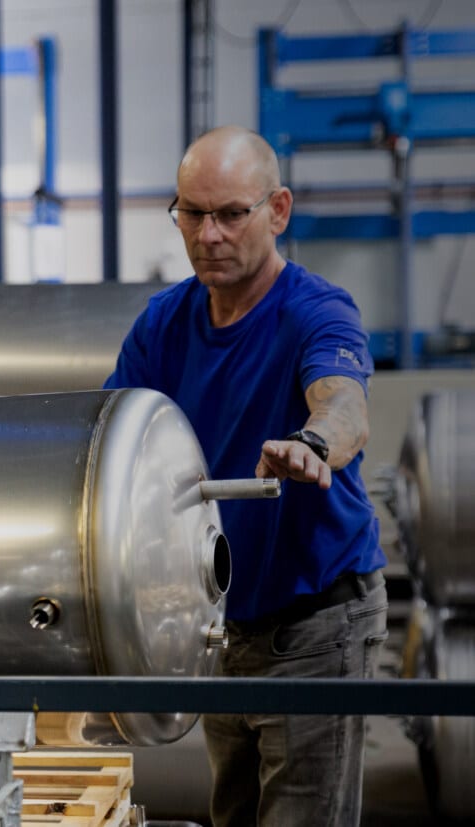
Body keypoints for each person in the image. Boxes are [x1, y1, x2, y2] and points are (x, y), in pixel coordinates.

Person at [104, 126, 387, 826]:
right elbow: (109, 436)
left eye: (231, 213)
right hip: (221, 622)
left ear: (278, 210)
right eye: (192, 213)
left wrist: (312, 443)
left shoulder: (316, 310)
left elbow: (345, 403)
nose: (209, 234)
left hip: (316, 619)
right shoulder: (163, 325)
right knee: (235, 812)